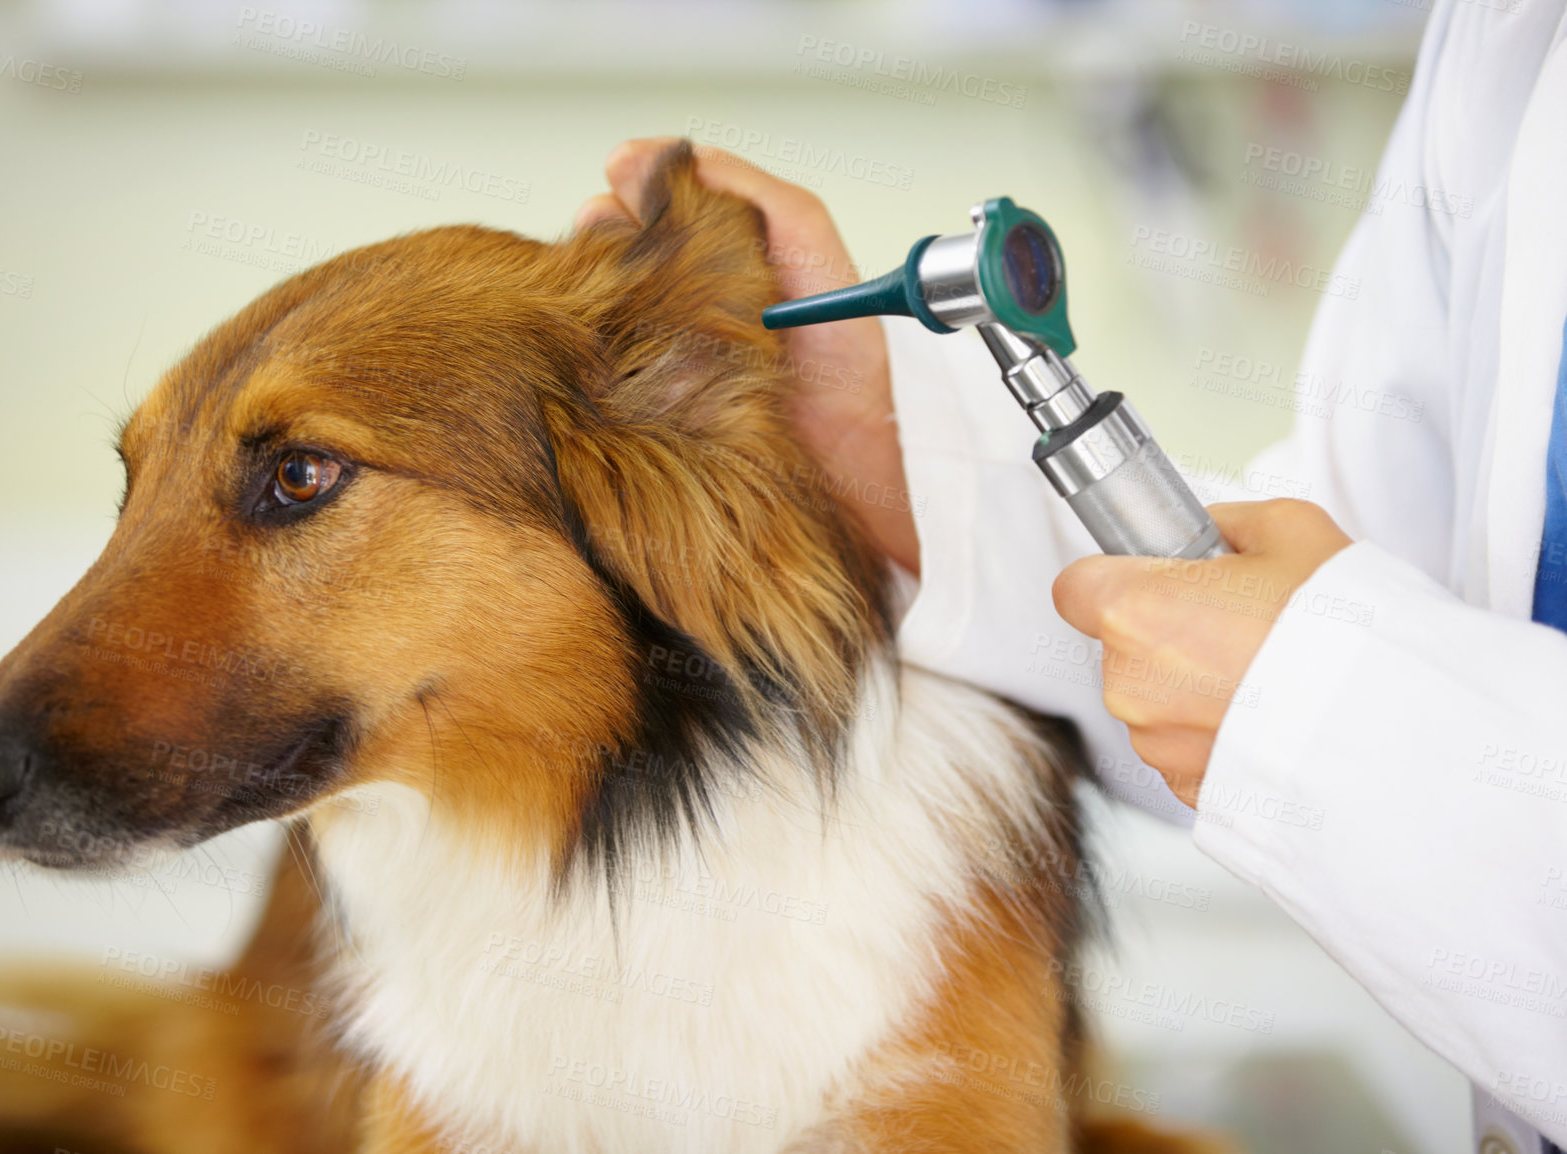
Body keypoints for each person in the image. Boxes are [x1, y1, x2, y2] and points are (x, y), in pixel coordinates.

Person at [578, 3, 1567, 1150]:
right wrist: (884, 461)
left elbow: (1339, 641)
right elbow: (1371, 551)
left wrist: (1330, 708)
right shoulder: (1507, 33)